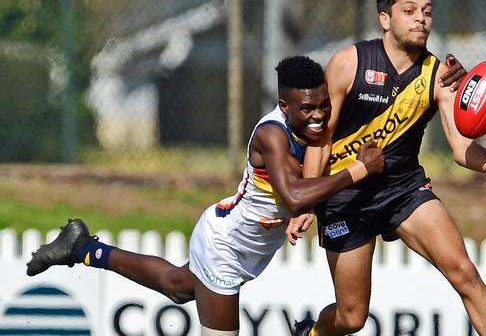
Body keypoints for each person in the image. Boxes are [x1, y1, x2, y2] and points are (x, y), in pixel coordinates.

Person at [27, 55, 390, 335]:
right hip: (225, 247)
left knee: (177, 286)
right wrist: (357, 170)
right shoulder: (272, 135)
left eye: (324, 105)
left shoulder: (315, 129)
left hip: (243, 241)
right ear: (284, 107)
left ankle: (82, 248)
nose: (319, 116)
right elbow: (295, 196)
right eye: (307, 109)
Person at [292, 0, 486, 336]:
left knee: (464, 273)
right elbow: (320, 139)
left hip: (403, 190)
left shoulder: (438, 75)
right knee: (352, 318)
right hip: (345, 197)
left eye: (428, 12)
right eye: (410, 10)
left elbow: (461, 148)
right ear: (385, 18)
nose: (421, 18)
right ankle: (311, 333)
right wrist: (307, 199)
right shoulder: (348, 63)